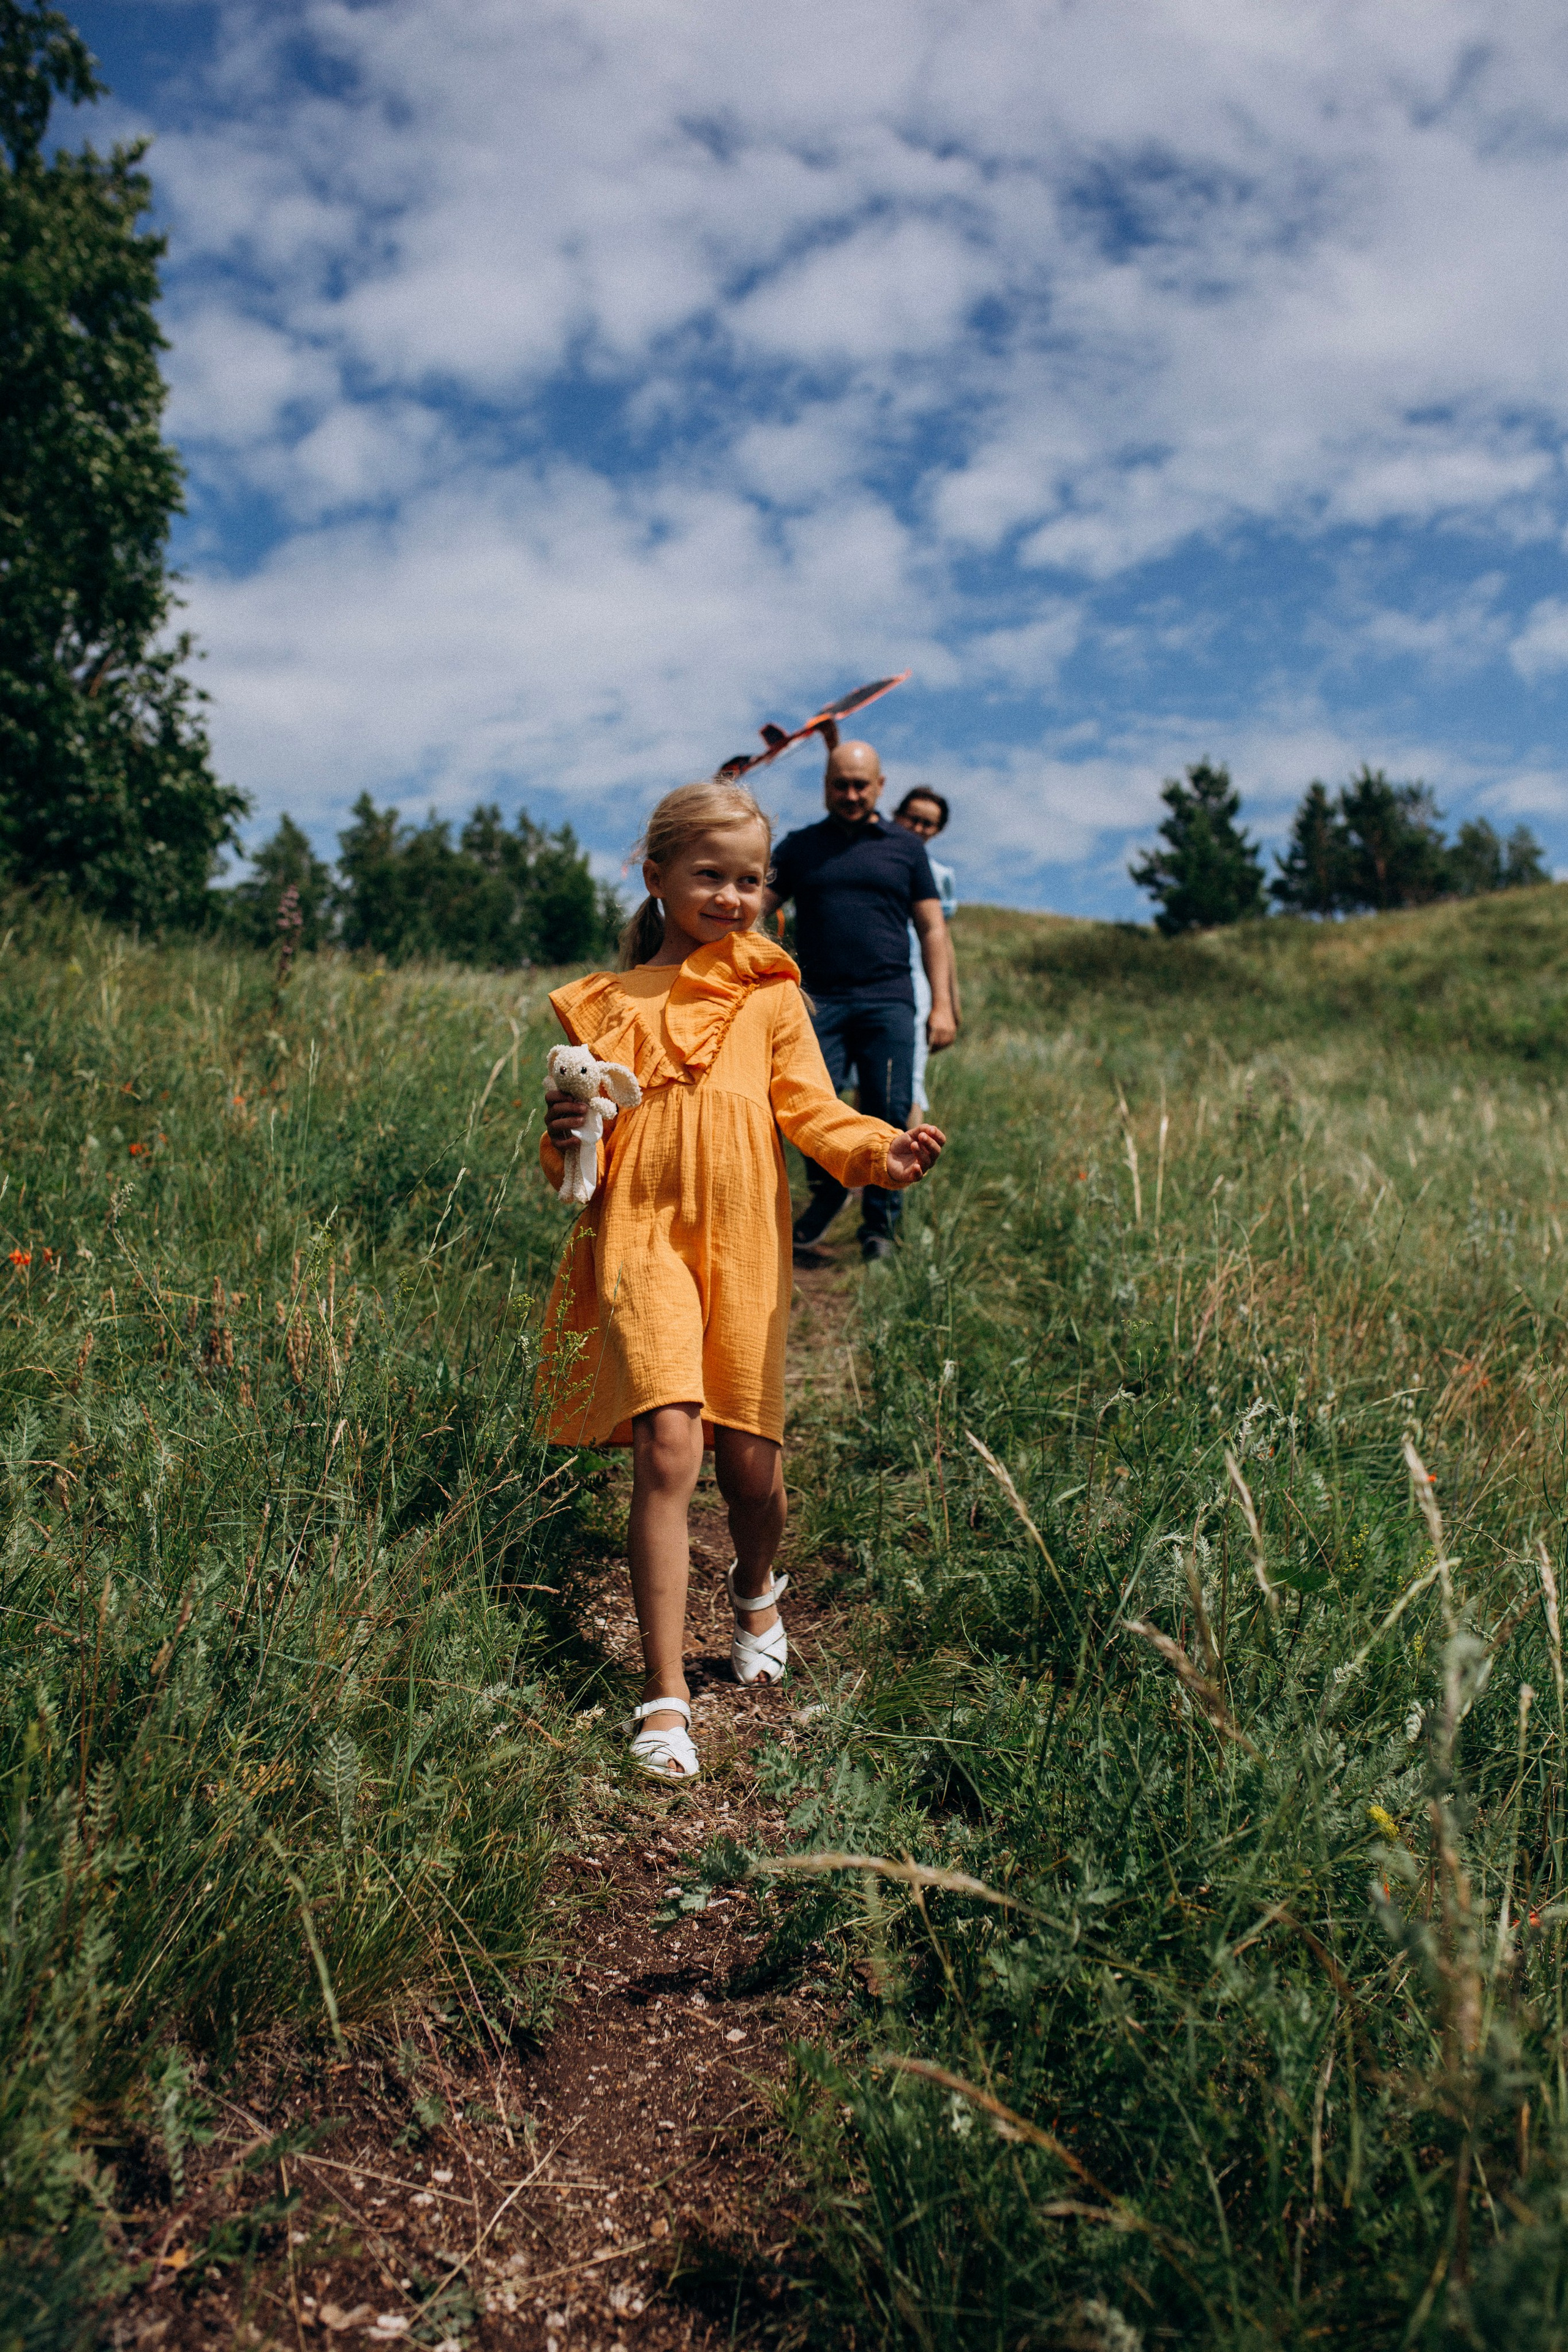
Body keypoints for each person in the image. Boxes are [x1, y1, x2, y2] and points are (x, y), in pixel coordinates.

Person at [538, 777, 946, 1782]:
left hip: (749, 1249)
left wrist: (875, 1151)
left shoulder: (771, 992)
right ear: (657, 876)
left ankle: (758, 1586)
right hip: (638, 1238)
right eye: (709, 875)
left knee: (751, 1470)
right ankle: (664, 1695)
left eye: (751, 880)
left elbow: (812, 1108)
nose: (731, 896)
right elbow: (568, 1165)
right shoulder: (599, 1005)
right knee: (669, 1449)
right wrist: (560, 1138)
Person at [765, 740, 958, 1264]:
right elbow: (753, 904)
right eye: (839, 784)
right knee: (807, 1107)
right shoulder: (799, 848)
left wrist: (942, 1005)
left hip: (889, 1001)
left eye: (860, 785)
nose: (850, 795)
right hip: (816, 1004)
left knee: (891, 1111)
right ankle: (828, 1195)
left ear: (880, 786)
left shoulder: (905, 847)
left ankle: (879, 1231)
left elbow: (933, 928)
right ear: (825, 785)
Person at [892, 786, 960, 1126]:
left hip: (915, 985)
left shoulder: (939, 875)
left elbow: (942, 938)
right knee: (868, 1083)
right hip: (872, 981)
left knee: (909, 1082)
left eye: (928, 824)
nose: (918, 828)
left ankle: (906, 1172)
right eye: (912, 819)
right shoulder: (876, 858)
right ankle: (859, 1176)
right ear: (896, 815)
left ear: (937, 830)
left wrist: (948, 1005)